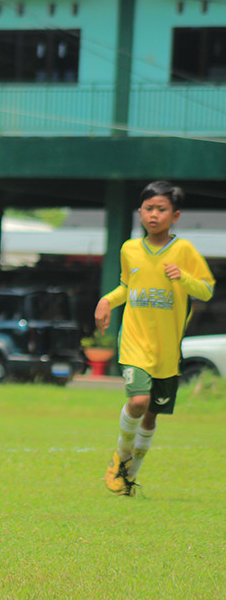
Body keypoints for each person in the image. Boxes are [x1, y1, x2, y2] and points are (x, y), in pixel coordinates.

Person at [96, 181, 215, 497]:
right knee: (138, 401)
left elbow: (206, 290)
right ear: (140, 212)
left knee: (151, 415)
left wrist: (184, 277)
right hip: (134, 342)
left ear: (175, 215)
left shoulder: (185, 251)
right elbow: (127, 287)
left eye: (161, 209)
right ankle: (119, 461)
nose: (154, 214)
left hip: (166, 349)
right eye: (149, 208)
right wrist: (107, 301)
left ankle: (129, 477)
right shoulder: (129, 249)